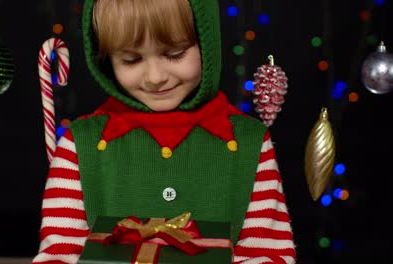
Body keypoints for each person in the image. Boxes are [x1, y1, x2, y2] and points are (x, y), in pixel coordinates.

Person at [32, 0, 296, 263]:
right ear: (106, 60)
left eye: (174, 53)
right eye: (131, 59)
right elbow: (59, 255)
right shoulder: (79, 145)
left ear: (207, 43)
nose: (155, 76)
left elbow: (267, 255)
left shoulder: (249, 143)